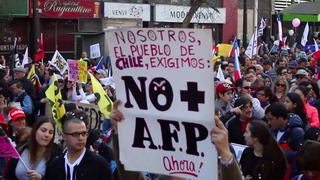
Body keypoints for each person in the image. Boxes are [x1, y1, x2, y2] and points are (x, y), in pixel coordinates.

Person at [110, 101, 243, 180]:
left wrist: (225, 154)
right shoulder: (166, 171)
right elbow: (130, 177)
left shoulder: (215, 155)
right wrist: (121, 134)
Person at [44, 112, 113, 180]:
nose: (81, 138)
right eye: (75, 134)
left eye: (83, 134)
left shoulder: (99, 164)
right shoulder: (54, 165)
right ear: (64, 136)